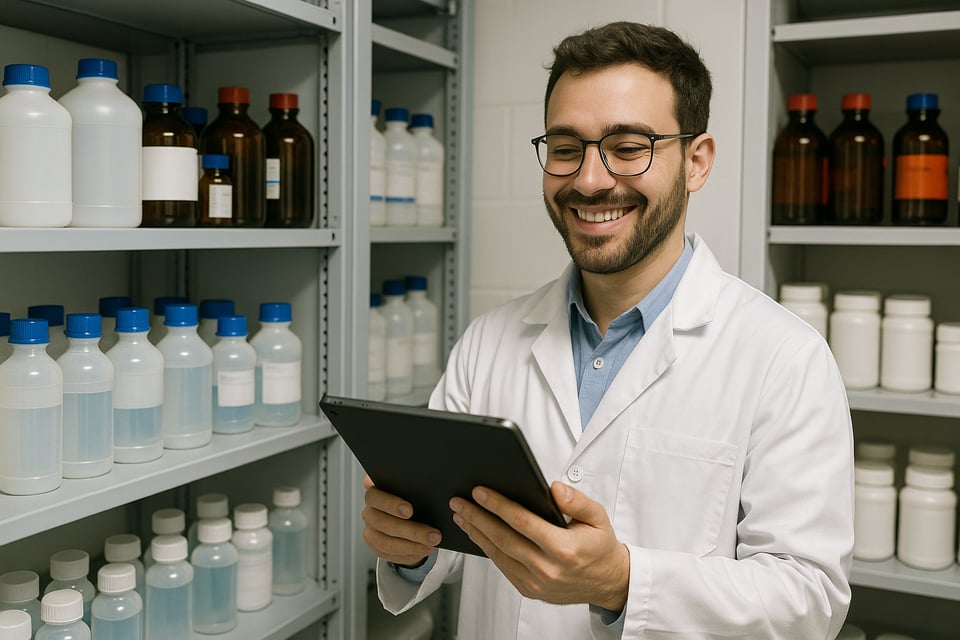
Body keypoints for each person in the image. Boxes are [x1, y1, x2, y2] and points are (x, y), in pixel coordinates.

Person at [363, 21, 854, 639]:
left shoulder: (785, 359)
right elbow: (454, 540)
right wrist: (409, 547)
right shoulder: (488, 342)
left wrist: (623, 582)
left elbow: (809, 601)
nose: (590, 180)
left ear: (696, 162)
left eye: (628, 147)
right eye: (566, 148)